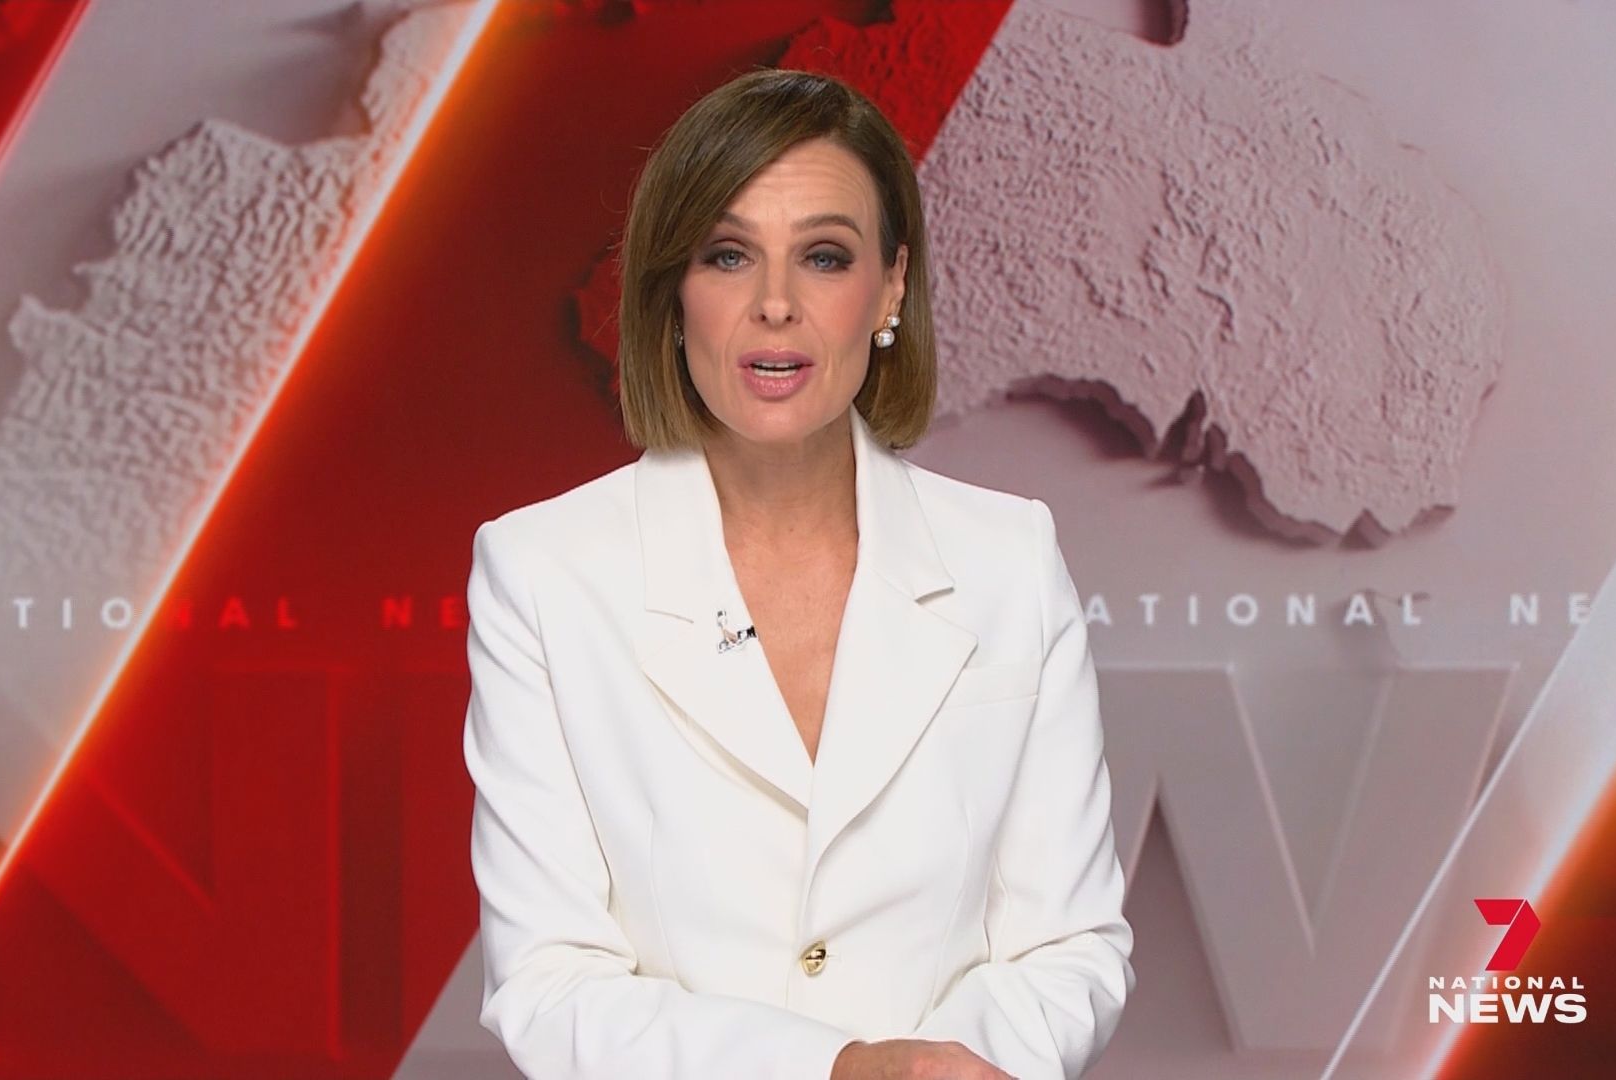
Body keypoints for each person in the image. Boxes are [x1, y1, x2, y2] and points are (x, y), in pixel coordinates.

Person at [463, 67, 1135, 1079]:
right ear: (673, 290)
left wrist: (938, 1070)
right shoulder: (541, 573)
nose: (774, 305)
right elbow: (549, 982)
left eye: (824, 256)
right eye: (728, 255)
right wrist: (842, 1069)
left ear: (890, 287)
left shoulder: (1010, 557)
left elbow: (1070, 946)